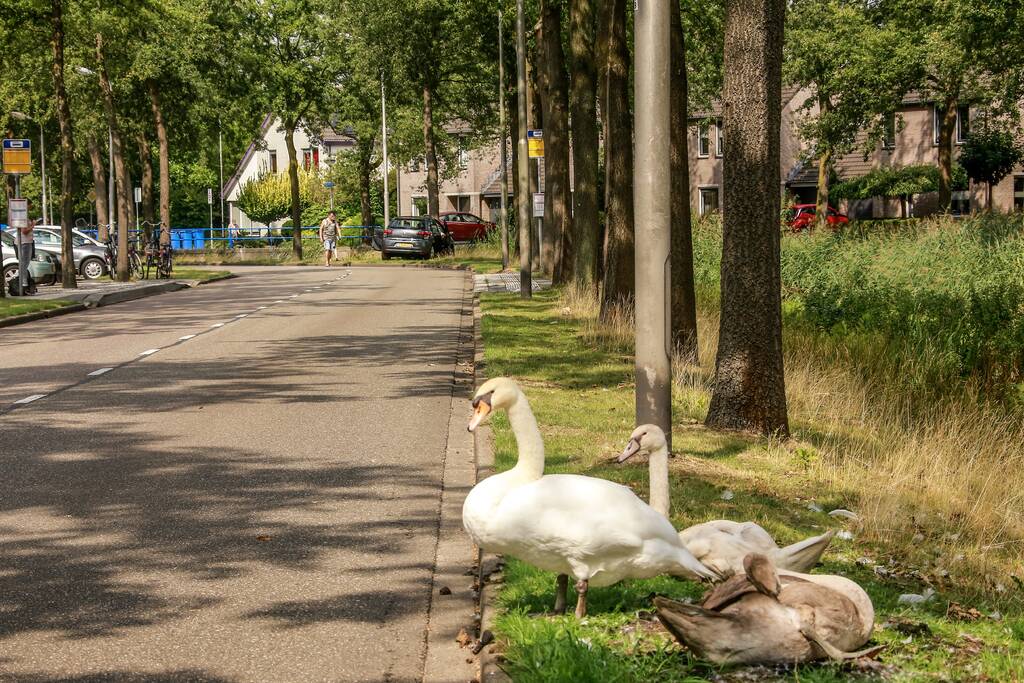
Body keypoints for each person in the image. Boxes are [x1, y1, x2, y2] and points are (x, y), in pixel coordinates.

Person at [15, 211, 36, 295]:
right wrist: (33, 225)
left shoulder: (24, 217)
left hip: (27, 242)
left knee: (24, 264)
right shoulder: (23, 218)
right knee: (24, 264)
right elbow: (24, 231)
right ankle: (23, 284)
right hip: (24, 243)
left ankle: (23, 283)